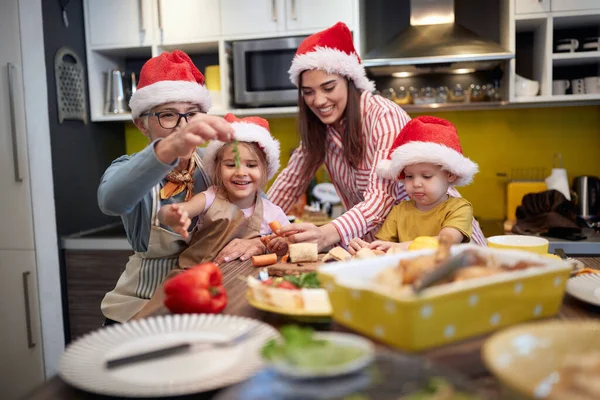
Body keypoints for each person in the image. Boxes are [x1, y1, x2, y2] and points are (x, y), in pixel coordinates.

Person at [265, 22, 486, 256]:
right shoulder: (320, 131)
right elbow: (289, 184)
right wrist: (262, 234)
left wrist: (326, 233)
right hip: (388, 251)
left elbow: (381, 197)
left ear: (350, 81)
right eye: (308, 92)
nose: (318, 101)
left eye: (328, 87)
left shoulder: (383, 118)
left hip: (441, 244)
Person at [98, 50, 234, 324]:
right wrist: (171, 148)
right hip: (141, 306)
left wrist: (252, 242)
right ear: (141, 123)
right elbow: (110, 201)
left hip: (202, 298)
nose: (183, 126)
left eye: (192, 114)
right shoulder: (130, 168)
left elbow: (257, 207)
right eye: (168, 115)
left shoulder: (213, 163)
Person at [158, 113, 289, 267]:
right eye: (230, 165)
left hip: (244, 283)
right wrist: (170, 215)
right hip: (196, 278)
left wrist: (282, 243)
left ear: (265, 171)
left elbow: (290, 244)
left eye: (251, 165)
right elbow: (176, 211)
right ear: (218, 169)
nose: (241, 173)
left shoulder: (273, 213)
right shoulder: (210, 197)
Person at [348, 116, 479, 253]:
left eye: (426, 176)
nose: (416, 184)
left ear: (450, 174)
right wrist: (365, 249)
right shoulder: (399, 211)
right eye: (409, 176)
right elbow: (383, 250)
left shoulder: (459, 209)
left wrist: (398, 247)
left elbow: (445, 241)